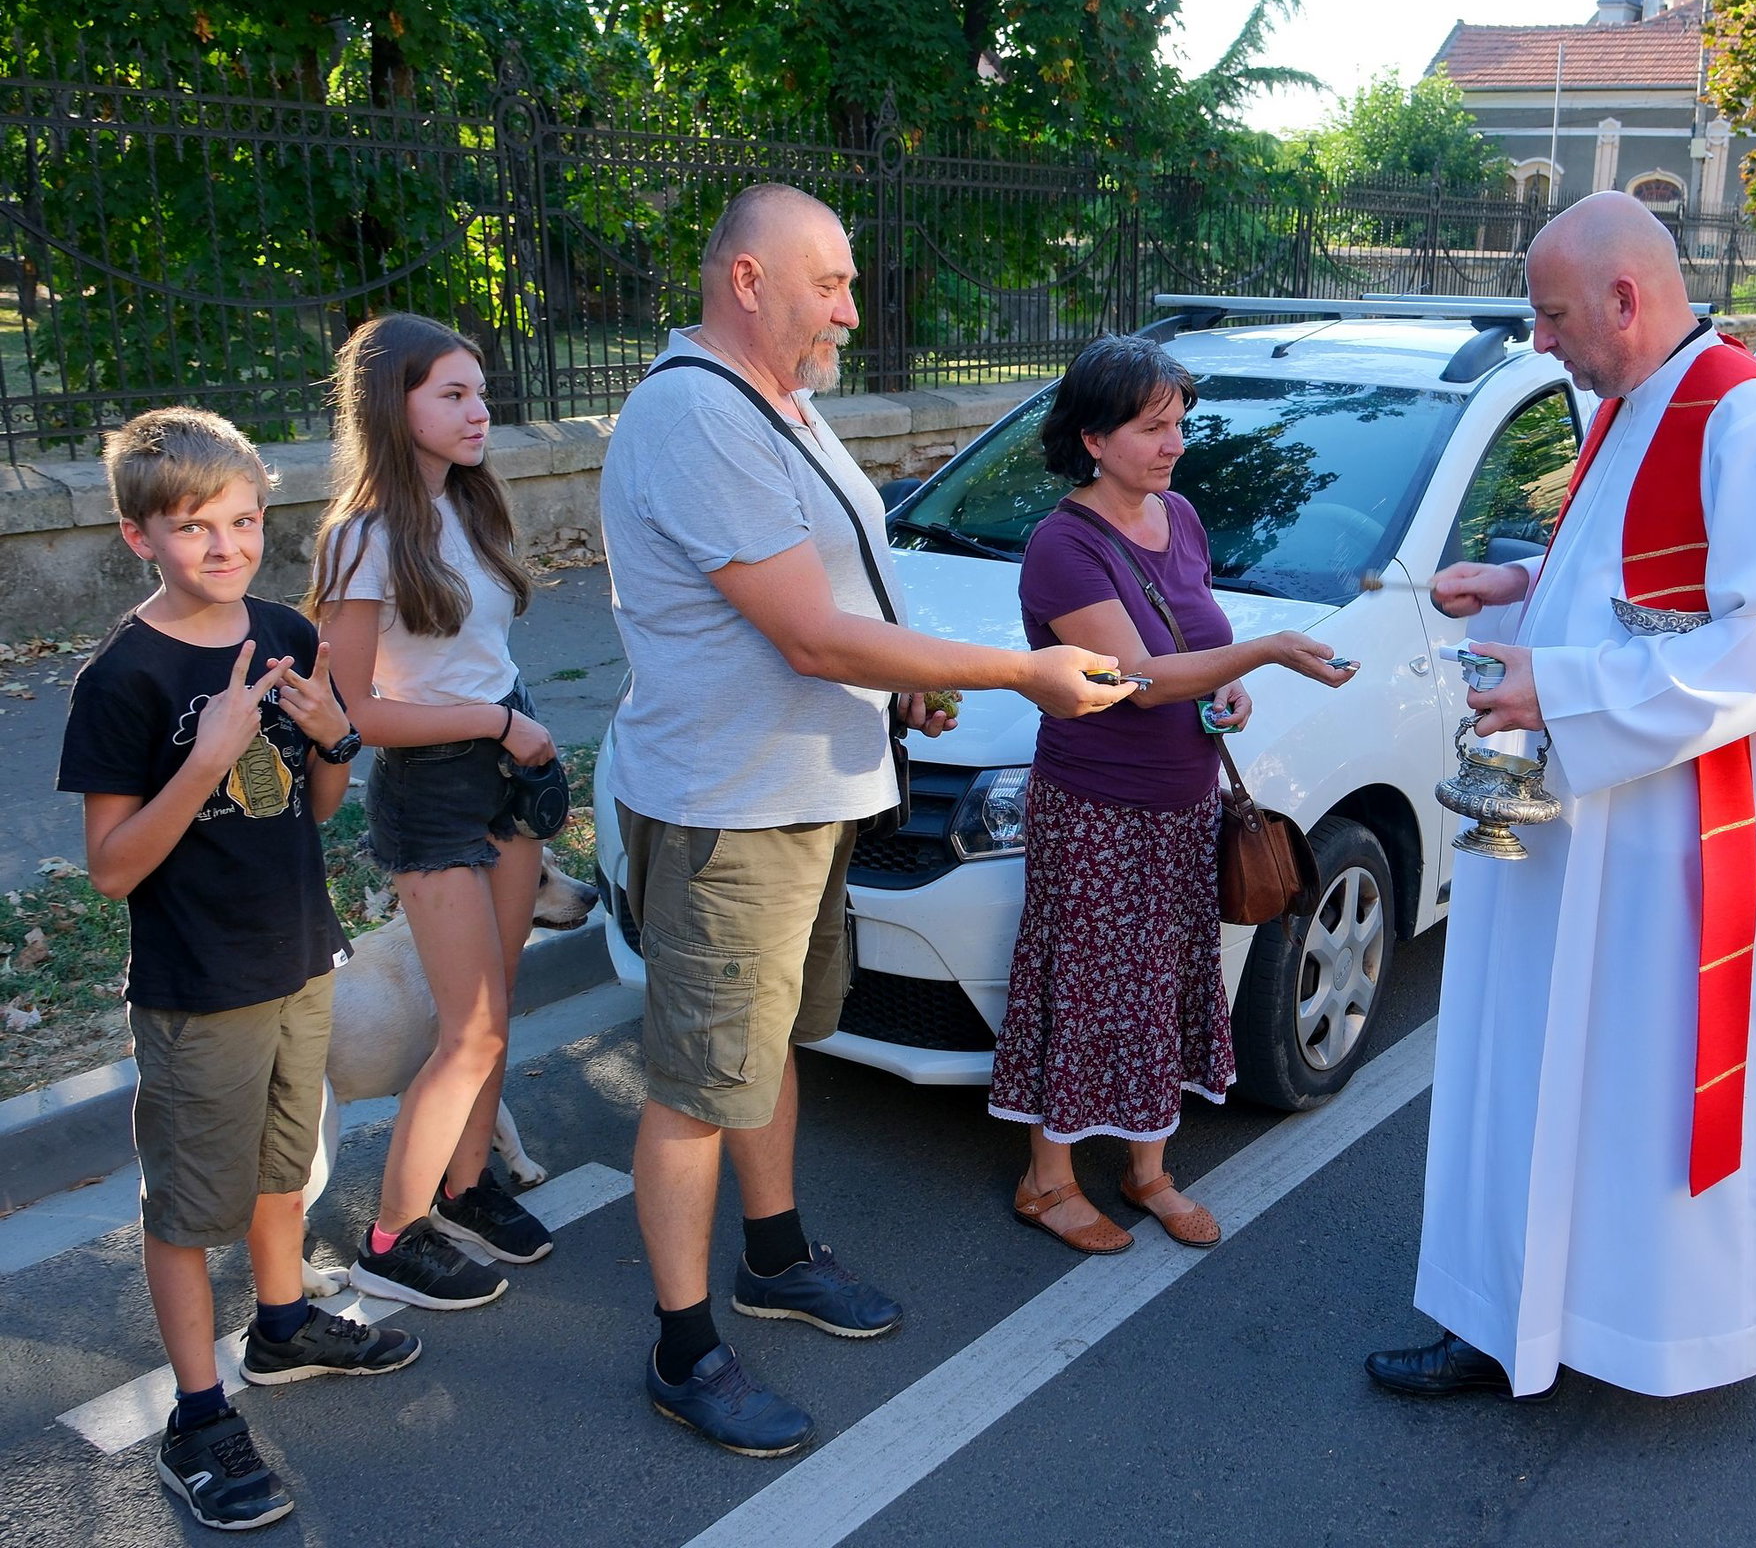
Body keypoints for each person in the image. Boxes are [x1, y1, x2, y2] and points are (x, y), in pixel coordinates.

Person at [601, 182, 1133, 1458]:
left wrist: (908, 688)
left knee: (772, 1036)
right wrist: (1014, 671)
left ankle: (774, 1255)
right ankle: (684, 1351)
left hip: (804, 794)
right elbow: (803, 626)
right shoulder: (694, 415)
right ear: (747, 282)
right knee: (693, 1086)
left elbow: (835, 604)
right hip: (734, 811)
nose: (850, 307)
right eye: (829, 282)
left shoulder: (777, 407)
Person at [1366, 192, 1756, 1401]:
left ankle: (1637, 1328)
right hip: (1580, 821)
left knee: (1628, 1088)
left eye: (1552, 313)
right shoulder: (1633, 404)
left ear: (1626, 300)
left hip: (1668, 851)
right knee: (1530, 1071)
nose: (1538, 340)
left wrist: (1560, 683)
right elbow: (1625, 585)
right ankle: (1508, 1311)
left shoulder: (1747, 418)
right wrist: (1519, 582)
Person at [61, 409, 420, 1533]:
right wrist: (207, 756)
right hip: (197, 985)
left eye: (245, 519)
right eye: (194, 526)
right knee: (186, 1208)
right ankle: (198, 1415)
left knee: (283, 1172)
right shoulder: (121, 678)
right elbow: (113, 870)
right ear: (139, 537)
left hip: (298, 956)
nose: (226, 544)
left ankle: (280, 1323)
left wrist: (332, 739)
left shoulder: (282, 633)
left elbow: (315, 809)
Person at [991, 335, 1356, 1253]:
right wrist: (1262, 651)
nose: (1174, 443)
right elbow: (1143, 679)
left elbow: (1192, 652)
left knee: (1162, 987)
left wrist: (1229, 686)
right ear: (1091, 439)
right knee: (1082, 991)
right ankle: (1048, 1182)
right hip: (1096, 810)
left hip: (1185, 802)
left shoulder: (1179, 516)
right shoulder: (1062, 546)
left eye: (1179, 425)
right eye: (1153, 428)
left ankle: (1148, 1172)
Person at [309, 313, 560, 1309]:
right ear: (391, 406)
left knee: (497, 1018)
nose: (478, 411)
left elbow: (479, 650)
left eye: (479, 391)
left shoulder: (471, 505)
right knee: (470, 1032)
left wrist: (513, 729)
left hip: (507, 764)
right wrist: (497, 723)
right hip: (436, 788)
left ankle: (464, 1188)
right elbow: (357, 712)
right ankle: (390, 1236)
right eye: (450, 394)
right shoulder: (359, 537)